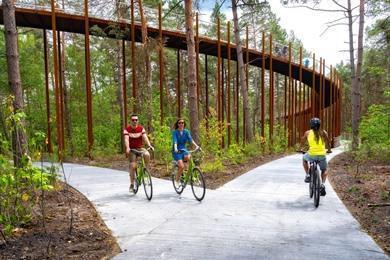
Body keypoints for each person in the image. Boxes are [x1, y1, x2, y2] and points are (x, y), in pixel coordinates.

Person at [299, 117, 332, 196]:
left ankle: (307, 175)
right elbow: (328, 143)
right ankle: (323, 184)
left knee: (304, 159)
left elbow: (302, 142)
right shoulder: (324, 132)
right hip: (322, 155)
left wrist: (300, 149)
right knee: (324, 169)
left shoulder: (307, 133)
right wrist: (329, 150)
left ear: (310, 125)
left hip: (311, 155)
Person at [123, 114, 154, 193]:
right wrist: (127, 147)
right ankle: (132, 184)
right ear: (131, 121)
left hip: (140, 148)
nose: (134, 121)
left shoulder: (141, 128)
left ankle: (145, 172)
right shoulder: (127, 129)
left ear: (138, 121)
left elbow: (145, 137)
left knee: (147, 154)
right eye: (133, 120)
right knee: (133, 166)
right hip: (132, 150)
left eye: (136, 120)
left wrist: (149, 145)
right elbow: (126, 139)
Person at [172, 118, 200, 186]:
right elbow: (175, 141)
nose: (181, 124)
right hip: (177, 151)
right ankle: (177, 180)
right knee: (181, 167)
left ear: (184, 124)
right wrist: (175, 148)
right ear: (177, 124)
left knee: (190, 160)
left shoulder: (186, 131)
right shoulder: (175, 132)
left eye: (182, 123)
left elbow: (191, 140)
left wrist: (197, 146)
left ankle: (193, 177)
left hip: (184, 150)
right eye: (179, 123)